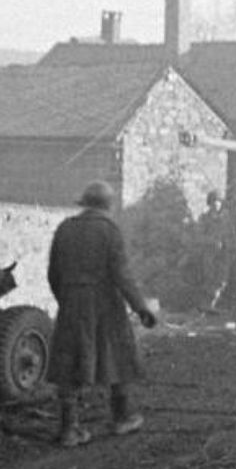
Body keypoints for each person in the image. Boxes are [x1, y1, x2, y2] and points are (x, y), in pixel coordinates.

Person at [46, 182, 160, 447]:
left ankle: (68, 430)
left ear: (85, 202)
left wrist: (67, 299)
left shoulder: (65, 228)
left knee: (69, 362)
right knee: (117, 354)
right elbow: (122, 275)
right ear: (108, 205)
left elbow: (53, 274)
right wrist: (141, 308)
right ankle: (123, 418)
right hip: (104, 302)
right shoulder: (109, 231)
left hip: (72, 302)